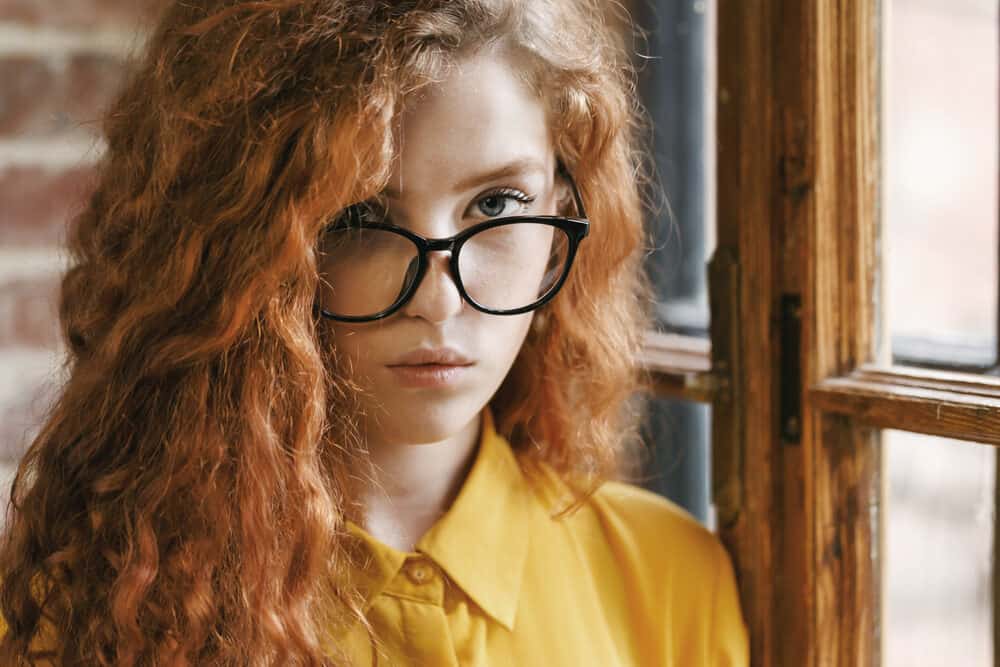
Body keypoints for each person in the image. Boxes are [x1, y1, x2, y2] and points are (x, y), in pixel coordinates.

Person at [0, 0, 749, 664]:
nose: (437, 297)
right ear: (249, 251)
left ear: (559, 221)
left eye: (494, 207)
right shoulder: (103, 605)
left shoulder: (666, 579)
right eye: (362, 218)